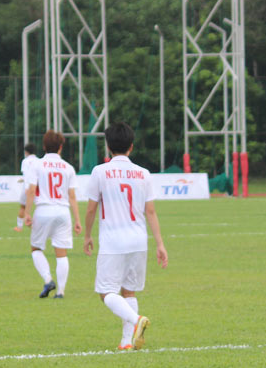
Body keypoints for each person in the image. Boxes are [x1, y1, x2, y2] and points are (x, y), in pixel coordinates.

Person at [83, 122, 168, 351]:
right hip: (138, 241)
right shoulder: (143, 173)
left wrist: (87, 235)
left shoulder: (100, 172)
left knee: (106, 292)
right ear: (131, 146)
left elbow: (91, 208)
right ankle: (125, 342)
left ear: (108, 147)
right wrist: (160, 244)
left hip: (113, 242)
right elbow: (150, 211)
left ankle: (135, 320)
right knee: (128, 290)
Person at [24, 130, 82, 299]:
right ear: (61, 147)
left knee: (36, 248)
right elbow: (72, 196)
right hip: (63, 212)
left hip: (43, 210)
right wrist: (77, 220)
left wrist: (27, 213)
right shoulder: (68, 168)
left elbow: (31, 190)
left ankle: (48, 279)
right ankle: (61, 291)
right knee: (61, 253)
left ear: (44, 146)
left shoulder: (37, 165)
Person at [14, 143, 39, 232]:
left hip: (27, 186)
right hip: (36, 187)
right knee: (39, 208)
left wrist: (26, 185)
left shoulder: (25, 161)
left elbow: (26, 174)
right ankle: (38, 226)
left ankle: (19, 227)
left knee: (23, 207)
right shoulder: (38, 161)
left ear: (26, 152)